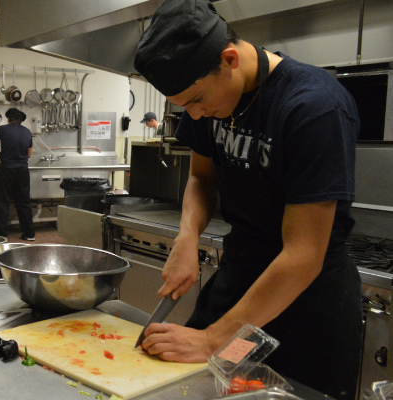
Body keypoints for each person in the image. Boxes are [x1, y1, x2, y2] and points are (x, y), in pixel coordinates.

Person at [133, 1, 362, 399]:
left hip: (305, 305)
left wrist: (210, 341)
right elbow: (202, 178)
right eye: (185, 106)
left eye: (197, 101)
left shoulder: (315, 107)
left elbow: (304, 254)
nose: (197, 116)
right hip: (238, 281)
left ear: (230, 58)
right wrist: (188, 236)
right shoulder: (208, 98)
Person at [0, 108, 35, 241]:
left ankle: (1, 235)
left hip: (7, 169)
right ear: (21, 121)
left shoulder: (2, 129)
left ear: (8, 119)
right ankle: (29, 234)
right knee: (24, 202)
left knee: (2, 201)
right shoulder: (27, 132)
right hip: (23, 170)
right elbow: (29, 154)